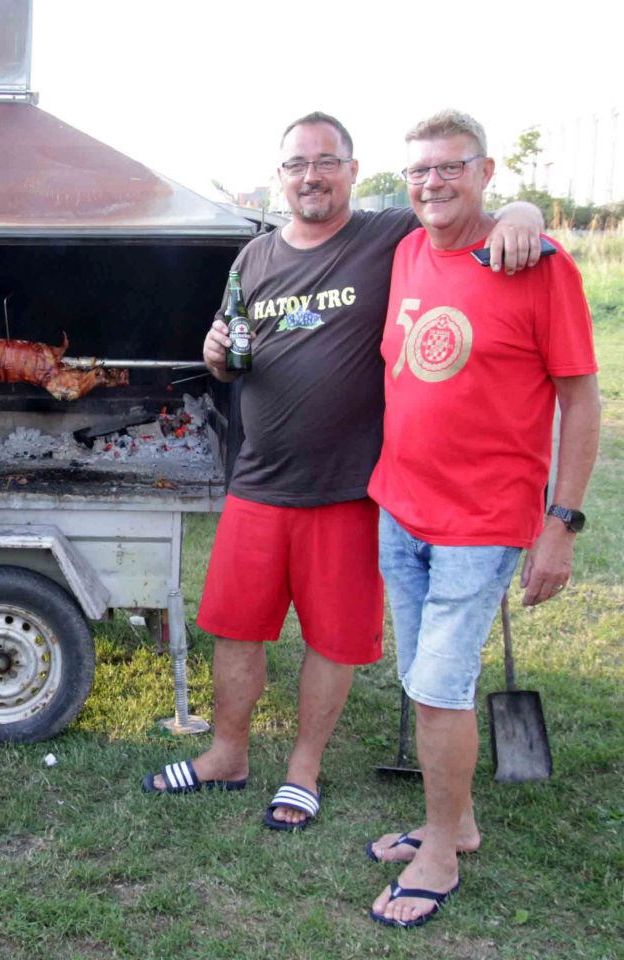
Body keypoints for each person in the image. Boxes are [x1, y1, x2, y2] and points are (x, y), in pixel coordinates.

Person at [140, 112, 544, 832]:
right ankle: (225, 754)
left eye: (326, 161)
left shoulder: (387, 237)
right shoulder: (252, 260)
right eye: (296, 164)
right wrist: (213, 350)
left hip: (350, 488)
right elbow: (229, 342)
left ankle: (302, 769)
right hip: (257, 481)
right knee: (234, 629)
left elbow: (460, 219)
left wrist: (521, 208)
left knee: (331, 639)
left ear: (354, 172)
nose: (311, 176)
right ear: (280, 176)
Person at [365, 109, 599, 929]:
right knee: (422, 674)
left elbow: (579, 399)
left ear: (486, 171)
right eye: (418, 171)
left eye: (449, 168)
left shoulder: (537, 265)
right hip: (400, 508)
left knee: (437, 685)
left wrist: (560, 523)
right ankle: (454, 820)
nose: (431, 183)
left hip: (484, 519)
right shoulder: (402, 251)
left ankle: (436, 851)